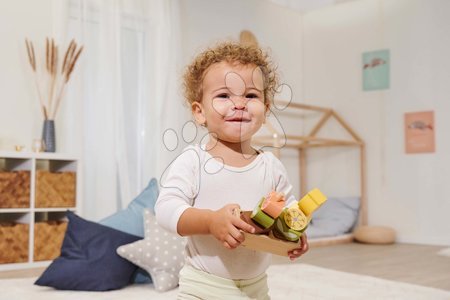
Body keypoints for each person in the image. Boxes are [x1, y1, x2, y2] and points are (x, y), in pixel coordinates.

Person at [155, 41, 308, 299]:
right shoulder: (193, 161)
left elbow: (289, 210)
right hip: (203, 287)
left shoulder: (271, 166)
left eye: (250, 96)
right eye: (224, 96)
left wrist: (295, 233)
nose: (239, 104)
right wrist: (210, 221)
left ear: (266, 109)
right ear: (199, 112)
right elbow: (166, 210)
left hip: (256, 287)